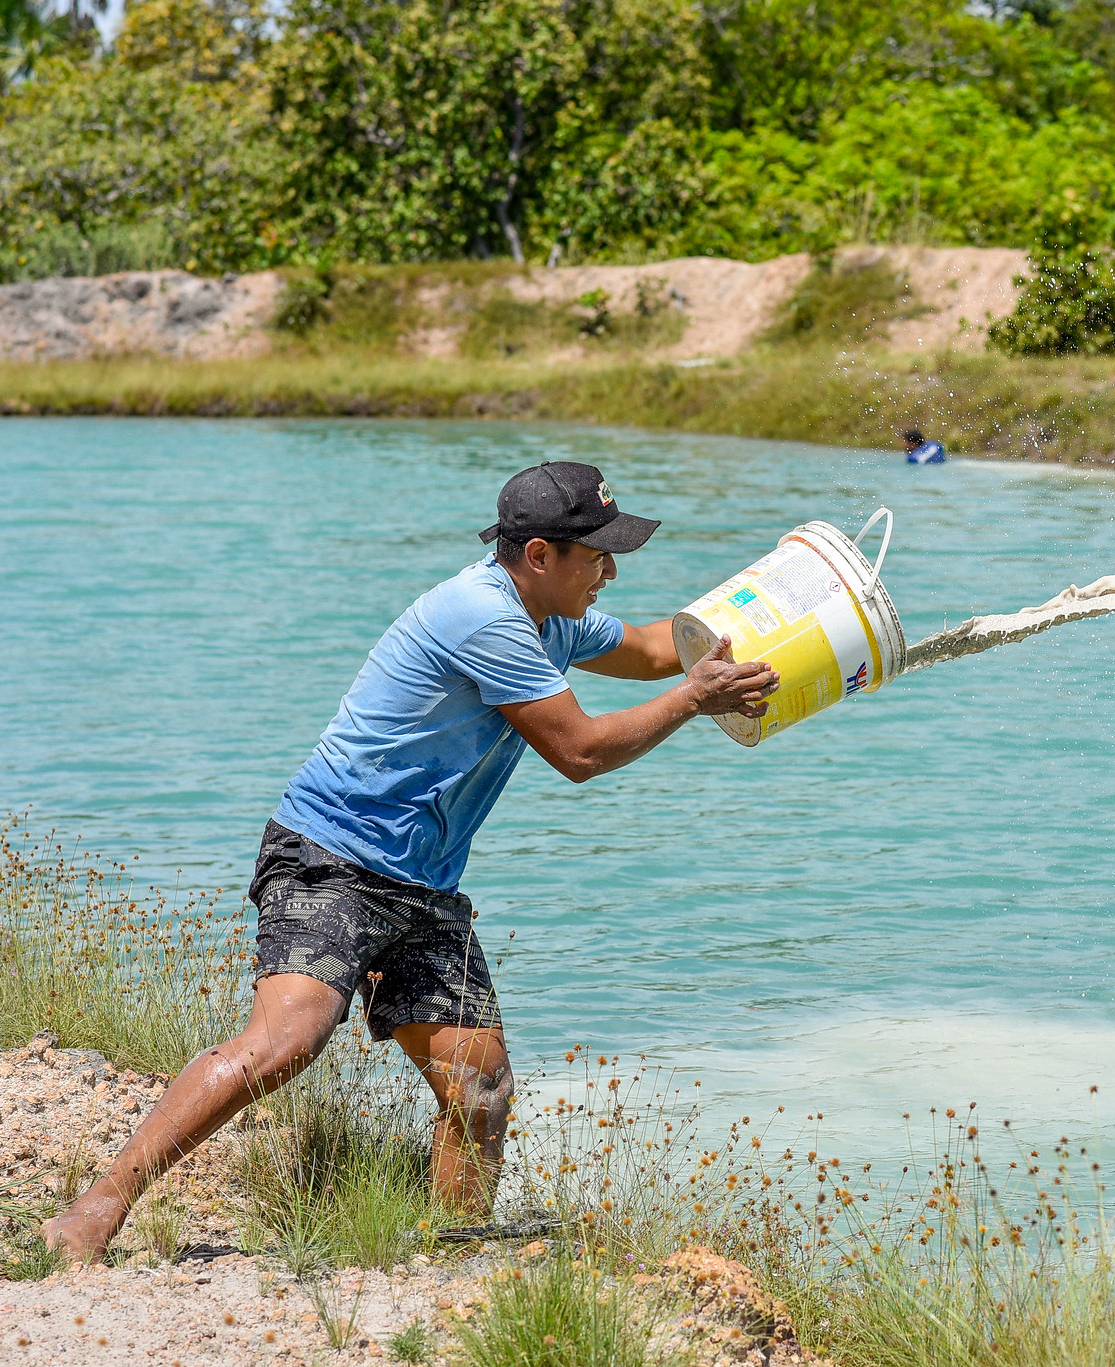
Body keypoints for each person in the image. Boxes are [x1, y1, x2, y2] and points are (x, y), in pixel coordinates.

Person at [43, 461, 779, 1260]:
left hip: (424, 886)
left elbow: (646, 649)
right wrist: (695, 698)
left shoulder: (555, 619)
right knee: (288, 1039)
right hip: (331, 856)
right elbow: (580, 751)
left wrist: (769, 631)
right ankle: (95, 1209)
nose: (612, 568)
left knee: (482, 1085)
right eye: (596, 553)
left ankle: (446, 1259)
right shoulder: (483, 616)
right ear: (538, 554)